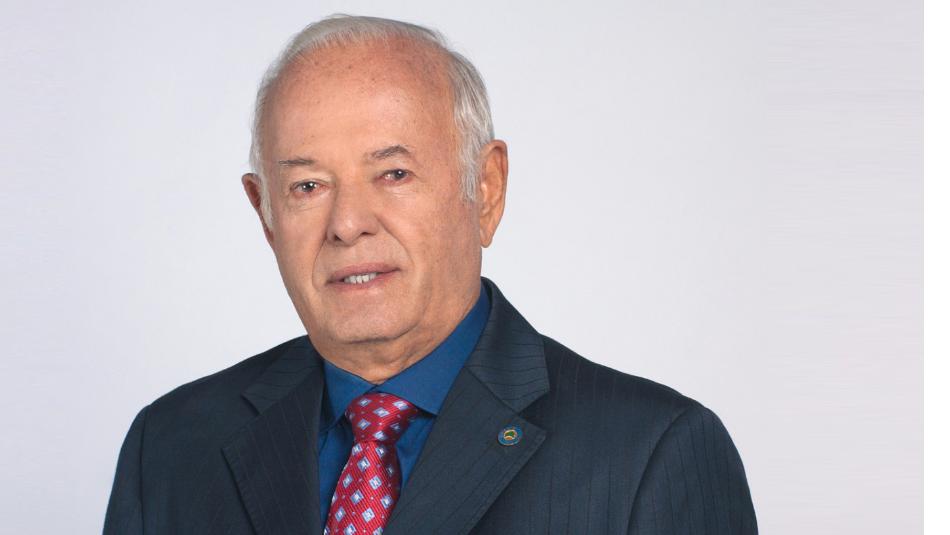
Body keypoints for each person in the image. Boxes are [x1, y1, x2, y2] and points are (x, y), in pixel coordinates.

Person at [103, 14, 757, 535]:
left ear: (486, 188)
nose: (347, 223)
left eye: (393, 173)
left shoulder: (651, 456)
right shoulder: (168, 449)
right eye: (307, 185)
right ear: (265, 214)